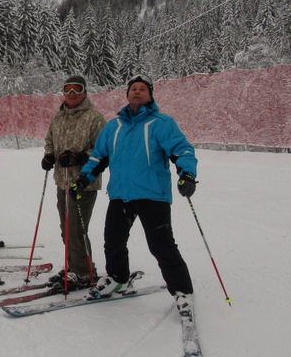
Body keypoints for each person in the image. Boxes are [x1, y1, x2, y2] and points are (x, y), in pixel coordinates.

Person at [74, 74, 198, 310]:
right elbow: (99, 157)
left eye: (143, 89)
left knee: (161, 246)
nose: (137, 92)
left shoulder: (161, 123)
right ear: (127, 94)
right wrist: (84, 178)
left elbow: (181, 150)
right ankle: (117, 279)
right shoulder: (113, 127)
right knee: (113, 242)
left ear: (150, 95)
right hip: (121, 194)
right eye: (133, 89)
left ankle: (182, 292)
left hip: (153, 194)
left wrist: (187, 175)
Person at [41, 75, 106, 286]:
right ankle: (74, 265)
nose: (71, 93)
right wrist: (49, 155)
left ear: (85, 92)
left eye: (76, 89)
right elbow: (49, 140)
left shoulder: (94, 117)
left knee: (77, 227)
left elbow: (102, 149)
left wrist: (81, 156)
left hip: (84, 181)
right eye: (68, 89)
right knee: (66, 228)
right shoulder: (58, 117)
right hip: (63, 179)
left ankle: (84, 270)